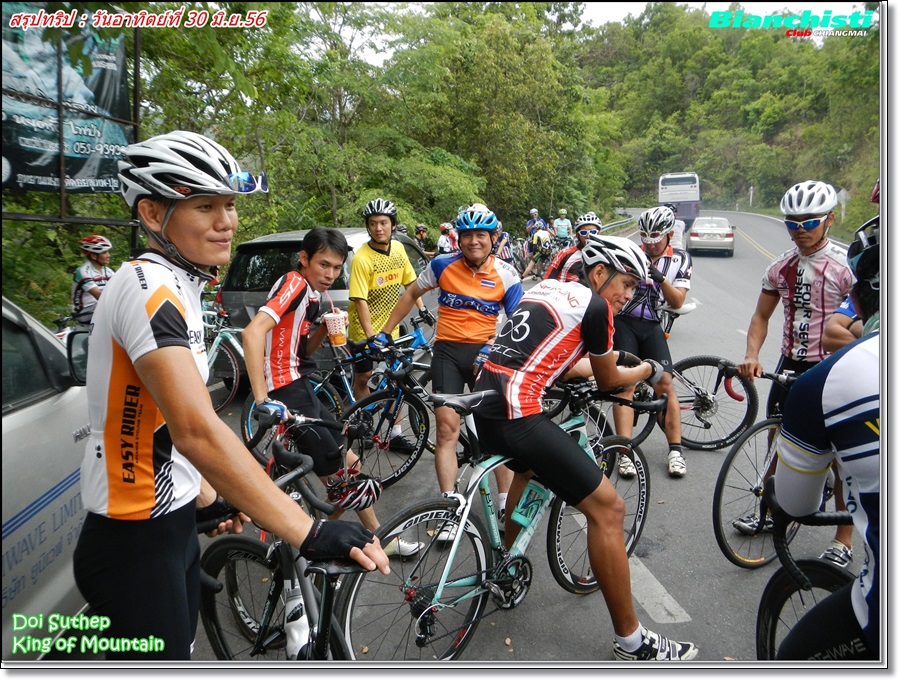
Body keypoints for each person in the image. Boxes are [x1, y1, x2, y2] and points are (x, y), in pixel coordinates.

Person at [73, 131, 389, 661]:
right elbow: (197, 429)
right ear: (152, 213)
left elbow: (162, 418)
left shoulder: (180, 284)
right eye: (205, 206)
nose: (228, 221)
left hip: (165, 522)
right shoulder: (149, 289)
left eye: (230, 204)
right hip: (133, 539)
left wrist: (203, 495)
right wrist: (307, 531)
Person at [472, 234, 698, 661]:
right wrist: (648, 369)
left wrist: (604, 367)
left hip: (486, 407)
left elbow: (555, 359)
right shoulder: (595, 307)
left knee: (527, 470)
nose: (628, 296)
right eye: (626, 284)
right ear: (598, 273)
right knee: (609, 509)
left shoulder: (545, 288)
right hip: (518, 413)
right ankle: (632, 641)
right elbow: (610, 381)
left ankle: (506, 567)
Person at [242, 227, 423, 558]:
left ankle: (324, 534)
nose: (330, 274)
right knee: (341, 475)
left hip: (301, 385)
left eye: (337, 268)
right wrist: (262, 399)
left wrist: (324, 328)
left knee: (349, 463)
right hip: (285, 391)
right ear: (304, 258)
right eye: (323, 264)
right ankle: (337, 539)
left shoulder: (314, 296)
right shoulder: (295, 284)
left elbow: (304, 352)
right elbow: (252, 333)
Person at [773, 216, 880, 660]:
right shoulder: (783, 267)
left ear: (857, 294)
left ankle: (843, 540)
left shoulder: (829, 379)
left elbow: (797, 505)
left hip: (820, 384)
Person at [376, 204, 521, 529]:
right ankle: (449, 507)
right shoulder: (442, 265)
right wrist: (385, 332)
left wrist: (496, 347)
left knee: (495, 431)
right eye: (467, 235)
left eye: (481, 235)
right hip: (448, 354)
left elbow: (518, 323)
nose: (473, 241)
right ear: (459, 238)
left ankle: (504, 502)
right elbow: (411, 293)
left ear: (493, 238)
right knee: (446, 430)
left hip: (486, 355)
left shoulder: (507, 273)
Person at [736, 179, 855, 566]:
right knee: (778, 442)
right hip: (791, 364)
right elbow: (761, 316)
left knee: (838, 454)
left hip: (834, 367)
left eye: (810, 222)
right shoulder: (780, 267)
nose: (800, 230)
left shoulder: (846, 268)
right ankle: (771, 513)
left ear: (829, 220)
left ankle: (843, 540)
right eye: (792, 223)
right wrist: (751, 354)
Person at [611, 206, 693, 478]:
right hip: (624, 322)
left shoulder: (681, 258)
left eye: (656, 236)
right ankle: (624, 453)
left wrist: (660, 278)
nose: (650, 242)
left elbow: (677, 300)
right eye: (645, 236)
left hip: (652, 325)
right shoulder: (632, 252)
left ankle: (676, 451)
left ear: (669, 234)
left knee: (665, 383)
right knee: (626, 384)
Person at [347, 198, 430, 403]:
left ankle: (394, 422)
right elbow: (360, 300)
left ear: (393, 225)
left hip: (390, 328)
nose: (378, 228)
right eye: (373, 223)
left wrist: (422, 309)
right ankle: (363, 413)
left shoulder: (399, 249)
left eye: (383, 223)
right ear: (368, 226)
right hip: (363, 330)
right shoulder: (361, 258)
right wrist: (370, 337)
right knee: (364, 377)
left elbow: (410, 283)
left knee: (395, 378)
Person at [71, 234, 115, 324]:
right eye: (104, 252)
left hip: (100, 308)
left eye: (108, 252)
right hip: (84, 312)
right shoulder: (83, 271)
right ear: (94, 256)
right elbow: (99, 296)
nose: (108, 255)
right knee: (107, 306)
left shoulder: (109, 271)